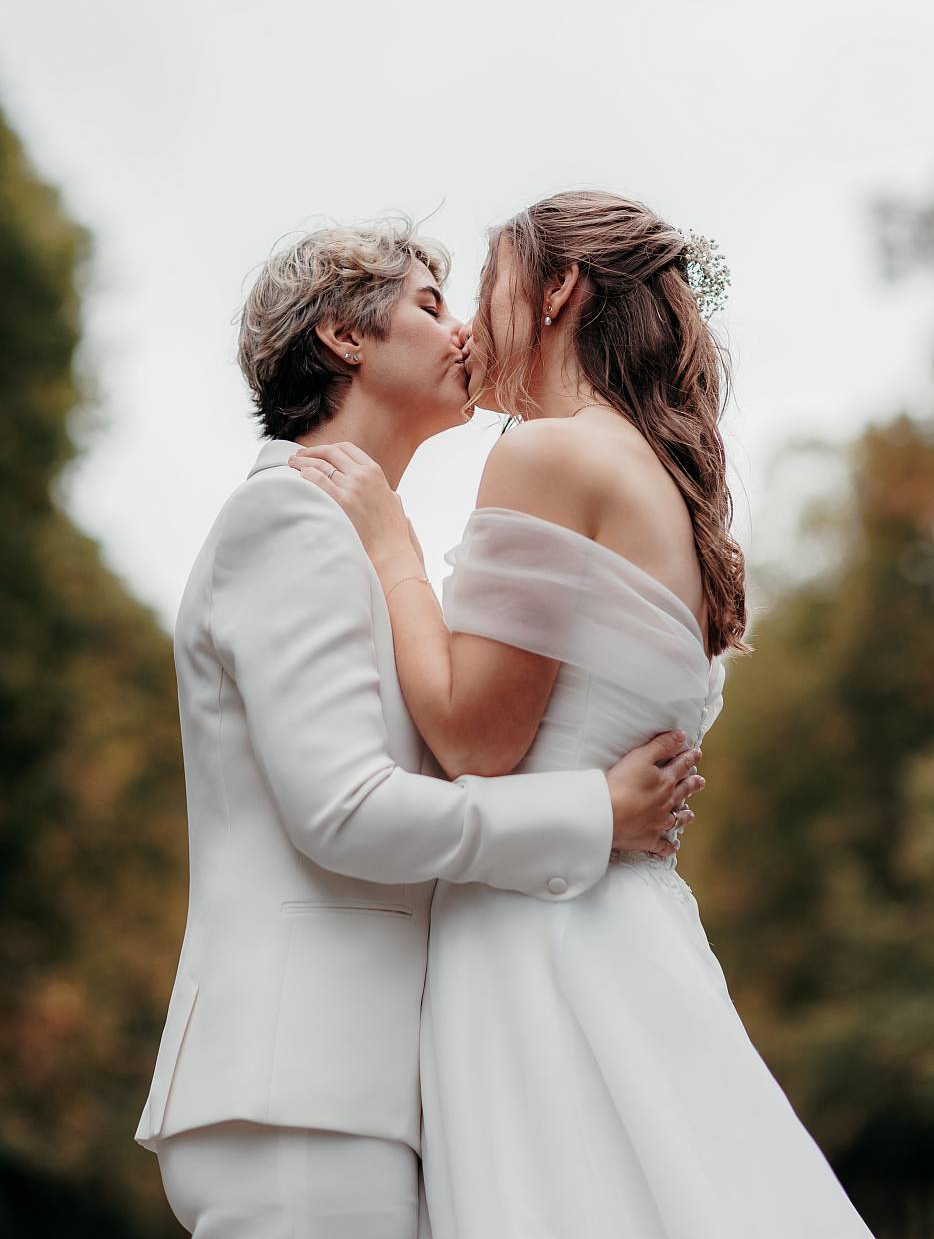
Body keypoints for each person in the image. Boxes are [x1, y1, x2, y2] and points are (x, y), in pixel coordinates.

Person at [290, 191, 875, 1238]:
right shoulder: (668, 487)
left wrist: (389, 542)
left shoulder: (550, 454)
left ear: (558, 289)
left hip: (537, 945)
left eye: (487, 285)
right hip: (631, 933)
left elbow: (474, 735)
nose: (470, 320)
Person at [134, 217, 707, 1238]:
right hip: (296, 1089)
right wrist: (592, 811)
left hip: (353, 1093)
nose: (461, 333)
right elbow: (343, 809)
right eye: (429, 305)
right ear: (344, 339)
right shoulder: (290, 519)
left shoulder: (355, 542)